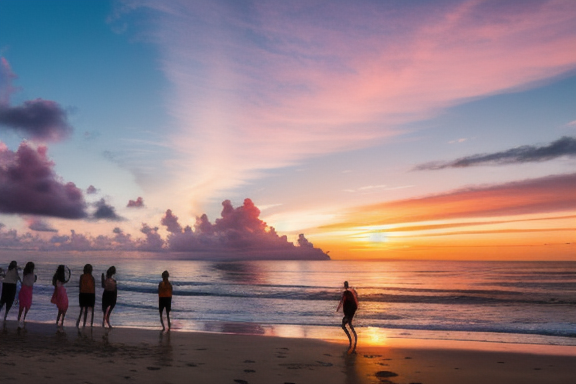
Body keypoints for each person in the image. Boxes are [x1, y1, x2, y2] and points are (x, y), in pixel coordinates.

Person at [336, 281, 358, 352]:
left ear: (345, 285)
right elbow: (349, 302)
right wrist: (339, 308)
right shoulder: (350, 291)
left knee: (346, 325)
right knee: (347, 325)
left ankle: (352, 341)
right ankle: (352, 341)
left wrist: (339, 308)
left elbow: (344, 301)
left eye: (345, 285)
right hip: (349, 312)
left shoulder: (347, 292)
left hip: (349, 312)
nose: (344, 286)